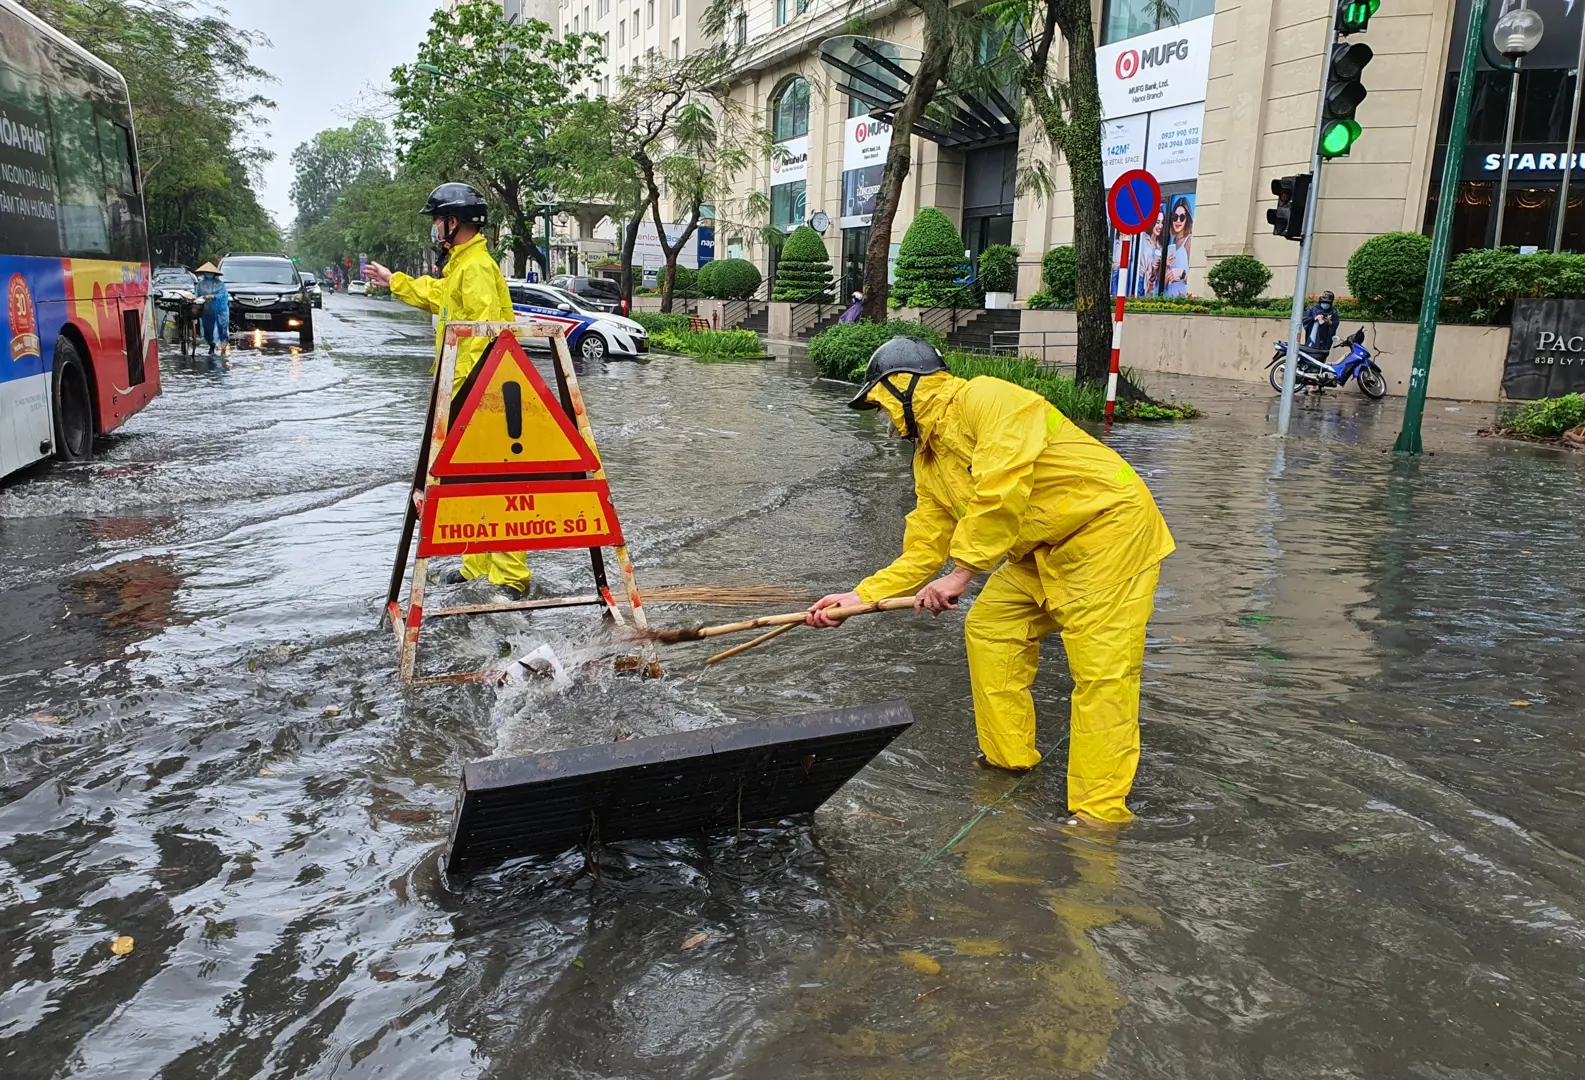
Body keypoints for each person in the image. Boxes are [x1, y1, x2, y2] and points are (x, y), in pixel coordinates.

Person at [806, 339, 1175, 826]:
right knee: (991, 629)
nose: (882, 416)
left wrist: (961, 574)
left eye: (881, 402)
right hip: (1037, 552)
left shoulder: (989, 399)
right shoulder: (930, 459)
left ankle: (1098, 815)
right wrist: (857, 599)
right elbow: (923, 547)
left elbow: (1001, 490)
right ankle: (1009, 760)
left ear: (905, 386)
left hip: (1107, 534)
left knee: (1103, 676)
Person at [364, 182, 532, 598]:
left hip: (482, 392)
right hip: (474, 389)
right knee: (472, 483)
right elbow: (440, 297)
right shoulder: (463, 264)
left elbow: (478, 333)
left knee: (496, 486)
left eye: (438, 220)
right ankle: (477, 564)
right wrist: (395, 281)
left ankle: (511, 578)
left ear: (453, 222)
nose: (435, 227)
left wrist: (459, 396)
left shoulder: (474, 267)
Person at [194, 262, 229, 356]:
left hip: (220, 310)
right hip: (207, 310)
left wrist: (213, 296)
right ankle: (211, 344)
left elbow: (223, 296)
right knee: (208, 329)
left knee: (222, 327)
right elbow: (196, 295)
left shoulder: (220, 284)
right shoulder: (200, 284)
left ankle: (223, 347)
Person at [1163, 198, 1193, 297]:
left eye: (1182, 217)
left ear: (1187, 219)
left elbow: (1197, 277)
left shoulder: (1189, 241)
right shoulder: (1171, 242)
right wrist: (1166, 266)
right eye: (1175, 217)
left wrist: (1182, 274)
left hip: (1183, 298)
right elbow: (1163, 284)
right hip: (1169, 298)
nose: (1178, 221)